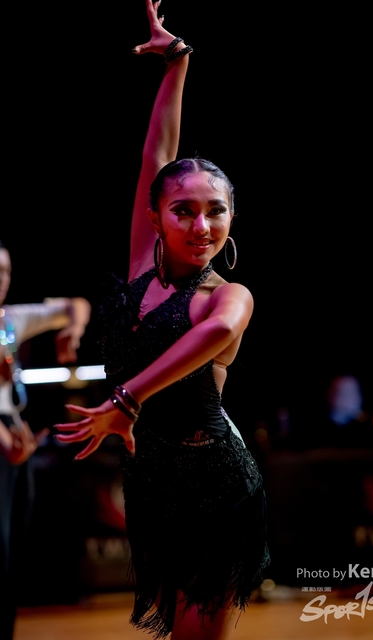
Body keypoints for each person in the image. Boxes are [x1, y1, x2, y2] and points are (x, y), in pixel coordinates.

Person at [54, 1, 270, 638]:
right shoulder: (140, 265)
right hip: (153, 484)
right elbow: (158, 152)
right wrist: (178, 64)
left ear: (231, 218)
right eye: (183, 210)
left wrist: (127, 398)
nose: (201, 225)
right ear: (155, 216)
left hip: (216, 485)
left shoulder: (227, 297)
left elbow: (218, 334)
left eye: (216, 211)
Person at [0, 238, 91, 639]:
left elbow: (76, 303)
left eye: (5, 271)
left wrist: (73, 329)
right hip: (5, 439)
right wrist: (6, 442)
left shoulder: (9, 320)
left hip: (12, 434)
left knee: (12, 547)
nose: (1, 279)